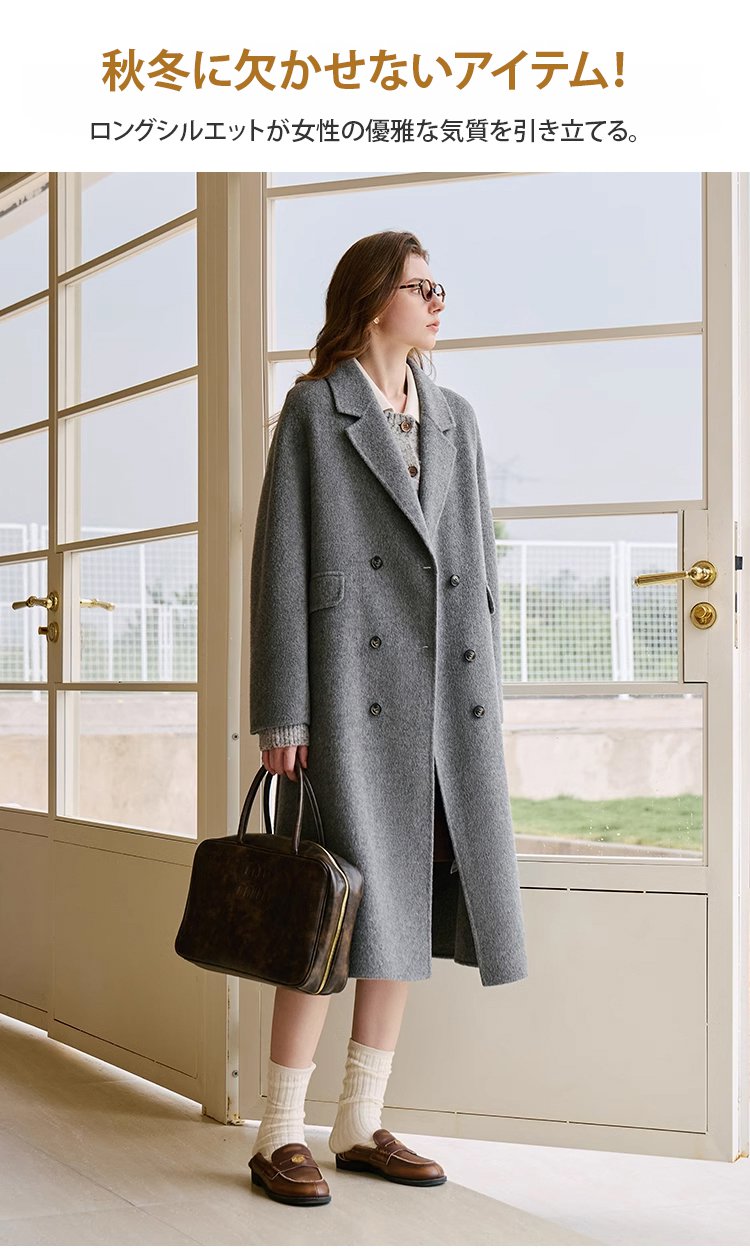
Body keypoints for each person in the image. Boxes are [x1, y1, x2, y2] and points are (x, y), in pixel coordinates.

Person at [247, 230, 528, 1206]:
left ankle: (359, 1121)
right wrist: (282, 711)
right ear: (374, 301)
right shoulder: (314, 411)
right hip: (346, 698)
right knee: (331, 906)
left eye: (438, 286)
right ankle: (279, 1130)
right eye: (421, 286)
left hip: (445, 698)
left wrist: (488, 694)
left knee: (405, 899)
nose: (437, 301)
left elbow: (476, 565)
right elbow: (279, 567)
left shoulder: (454, 417)